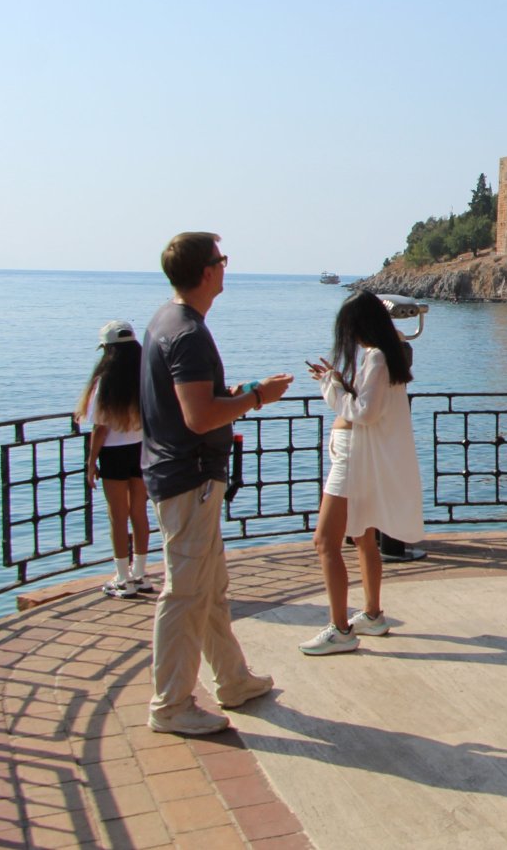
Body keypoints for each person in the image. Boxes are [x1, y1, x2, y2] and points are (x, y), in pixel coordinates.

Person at [141, 233, 293, 736]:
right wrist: (257, 400)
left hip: (184, 477)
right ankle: (171, 706)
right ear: (207, 272)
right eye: (222, 261)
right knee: (185, 593)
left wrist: (245, 390)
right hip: (189, 478)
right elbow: (200, 415)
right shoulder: (187, 333)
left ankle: (232, 680)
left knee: (210, 588)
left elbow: (198, 398)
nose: (226, 268)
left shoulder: (168, 321)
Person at [300, 292, 424, 656]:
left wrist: (331, 388)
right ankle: (371, 613)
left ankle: (340, 628)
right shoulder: (386, 356)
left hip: (352, 459)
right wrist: (339, 381)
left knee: (325, 541)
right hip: (358, 455)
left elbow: (365, 412)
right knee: (362, 536)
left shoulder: (376, 357)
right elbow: (372, 404)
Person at [76, 320, 152, 598]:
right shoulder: (146, 376)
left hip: (114, 454)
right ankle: (141, 573)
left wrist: (90, 462)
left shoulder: (104, 382)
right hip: (141, 449)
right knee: (139, 512)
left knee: (117, 516)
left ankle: (123, 578)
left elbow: (100, 428)